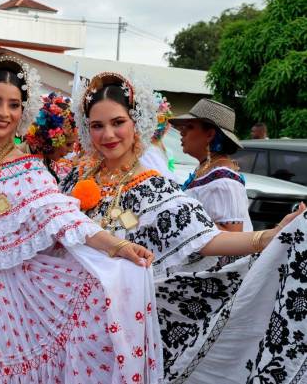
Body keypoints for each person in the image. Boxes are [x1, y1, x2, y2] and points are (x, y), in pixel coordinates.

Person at [60, 72, 307, 383]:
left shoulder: (154, 188)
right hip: (64, 322)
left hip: (118, 327)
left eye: (117, 122)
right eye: (97, 125)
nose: (108, 134)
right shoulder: (74, 179)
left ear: (136, 123)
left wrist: (270, 237)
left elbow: (206, 239)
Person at [0, 56, 160, 383]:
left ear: (24, 112)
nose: (3, 113)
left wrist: (118, 245)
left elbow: (65, 218)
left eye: (13, 104)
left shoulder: (28, 170)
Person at [172, 99, 252, 232]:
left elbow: (232, 236)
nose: (182, 132)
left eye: (190, 127)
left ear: (209, 134)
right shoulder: (206, 169)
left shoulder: (224, 180)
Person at [23, 92, 79, 182]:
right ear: (51, 137)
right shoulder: (21, 159)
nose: (71, 150)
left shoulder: (44, 161)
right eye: (68, 144)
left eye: (73, 144)